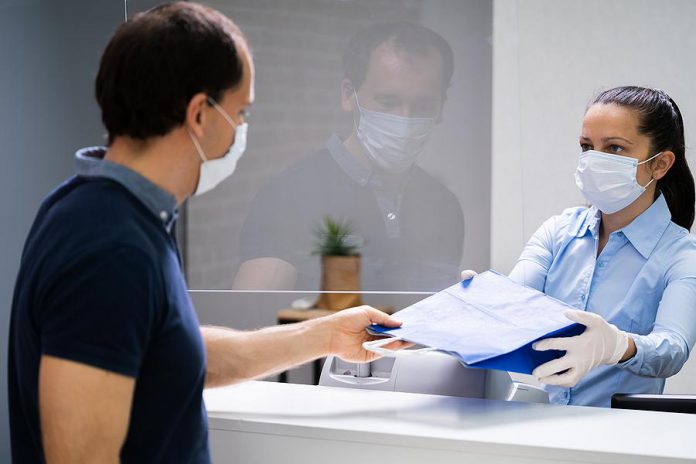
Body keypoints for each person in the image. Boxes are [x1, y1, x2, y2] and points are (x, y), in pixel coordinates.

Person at [7, 3, 407, 463]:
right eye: (241, 113)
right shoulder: (109, 248)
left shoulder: (114, 211)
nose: (242, 130)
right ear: (199, 114)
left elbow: (169, 350)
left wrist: (326, 336)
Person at [465, 86, 696, 407]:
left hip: (622, 441)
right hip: (542, 428)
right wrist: (478, 303)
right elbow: (514, 302)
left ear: (660, 164)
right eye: (587, 146)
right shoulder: (558, 231)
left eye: (615, 148)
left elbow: (672, 349)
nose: (594, 160)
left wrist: (617, 346)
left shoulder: (682, 255)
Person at [233, 21, 464, 293]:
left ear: (442, 107)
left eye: (423, 105)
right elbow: (251, 319)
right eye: (388, 102)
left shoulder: (442, 205)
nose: (405, 119)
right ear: (347, 95)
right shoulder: (291, 195)